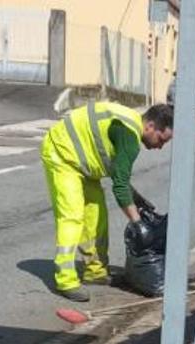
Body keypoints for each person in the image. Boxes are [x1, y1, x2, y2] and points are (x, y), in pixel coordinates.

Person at [40, 101, 174, 302]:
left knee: (97, 217)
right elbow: (119, 186)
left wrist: (136, 198)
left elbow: (118, 173)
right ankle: (65, 280)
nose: (160, 146)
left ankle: (95, 273)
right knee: (73, 217)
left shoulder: (129, 126)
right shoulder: (129, 136)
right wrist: (138, 223)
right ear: (150, 127)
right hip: (62, 154)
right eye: (161, 139)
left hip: (83, 162)